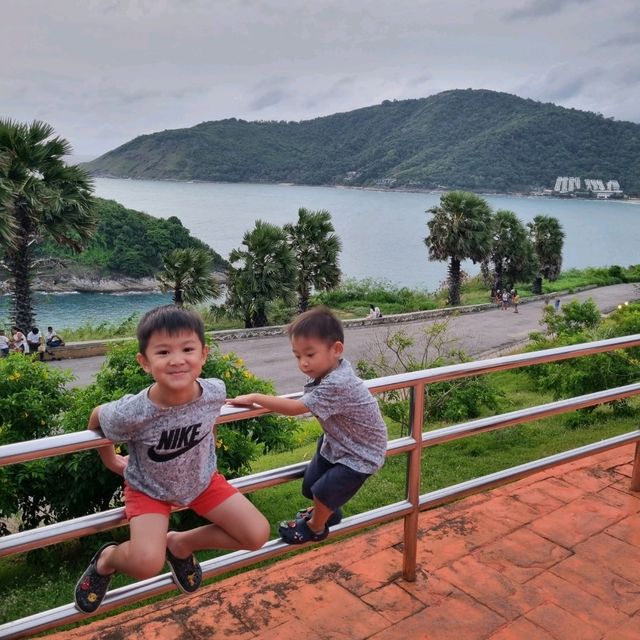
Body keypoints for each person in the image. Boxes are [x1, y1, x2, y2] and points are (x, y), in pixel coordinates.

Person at [74, 305, 270, 614]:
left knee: (257, 533)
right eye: (163, 352)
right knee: (145, 563)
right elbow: (98, 416)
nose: (177, 360)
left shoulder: (215, 391)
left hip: (203, 481)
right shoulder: (133, 411)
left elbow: (209, 417)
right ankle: (107, 559)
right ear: (145, 362)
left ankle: (180, 544)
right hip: (149, 488)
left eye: (187, 349)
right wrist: (111, 461)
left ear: (203, 354)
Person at [228, 306, 388, 545]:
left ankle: (315, 527)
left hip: (362, 452)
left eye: (310, 355)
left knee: (323, 492)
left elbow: (296, 409)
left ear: (336, 350)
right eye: (297, 356)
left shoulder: (338, 382)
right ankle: (329, 512)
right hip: (338, 443)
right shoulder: (328, 373)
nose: (303, 363)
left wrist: (255, 397)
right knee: (310, 486)